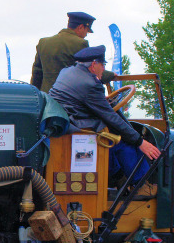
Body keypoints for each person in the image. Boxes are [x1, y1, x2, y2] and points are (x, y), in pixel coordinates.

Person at [48, 45, 161, 199]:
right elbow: (110, 117)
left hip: (65, 123)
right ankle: (141, 184)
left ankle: (117, 177)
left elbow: (85, 102)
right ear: (94, 64)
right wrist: (140, 141)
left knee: (112, 138)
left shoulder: (67, 72)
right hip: (76, 130)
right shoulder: (90, 84)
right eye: (103, 65)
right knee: (123, 143)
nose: (103, 69)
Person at [31, 11, 114, 93]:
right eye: (87, 31)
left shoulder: (44, 42)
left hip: (46, 97)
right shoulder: (80, 43)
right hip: (68, 98)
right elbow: (88, 70)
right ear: (81, 27)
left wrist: (34, 96)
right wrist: (111, 75)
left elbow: (37, 73)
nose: (86, 35)